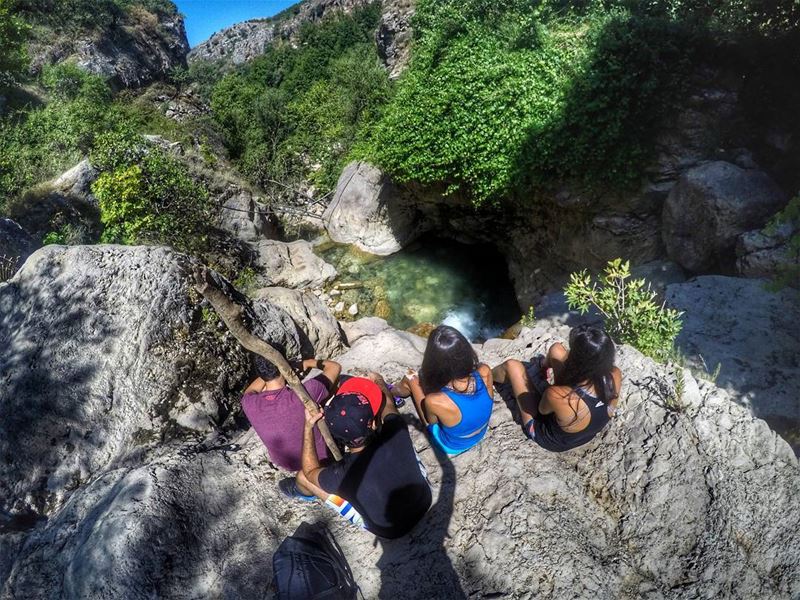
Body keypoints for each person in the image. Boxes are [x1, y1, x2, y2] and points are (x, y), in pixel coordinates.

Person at [294, 373, 432, 539]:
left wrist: (308, 427)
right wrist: (379, 380)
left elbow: (310, 471)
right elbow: (388, 405)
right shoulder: (396, 429)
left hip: (390, 531)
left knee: (302, 477)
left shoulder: (339, 476)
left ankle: (301, 493)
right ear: (373, 423)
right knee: (400, 437)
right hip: (424, 500)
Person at [492, 324, 622, 452]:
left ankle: (486, 377)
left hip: (549, 436)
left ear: (576, 359)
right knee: (556, 349)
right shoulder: (615, 374)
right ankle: (543, 366)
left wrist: (550, 391)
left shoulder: (557, 394)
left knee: (512, 366)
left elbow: (542, 410)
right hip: (586, 428)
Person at [241, 353, 341, 494]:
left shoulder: (248, 403)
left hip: (286, 462)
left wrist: (270, 371)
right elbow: (334, 367)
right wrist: (304, 363)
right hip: (321, 458)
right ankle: (308, 487)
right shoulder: (306, 392)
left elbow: (251, 390)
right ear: (283, 364)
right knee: (339, 385)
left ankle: (298, 488)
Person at [393, 325, 494, 456]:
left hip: (451, 445)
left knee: (411, 377)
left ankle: (393, 393)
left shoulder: (435, 400)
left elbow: (432, 422)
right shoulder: (485, 371)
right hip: (480, 432)